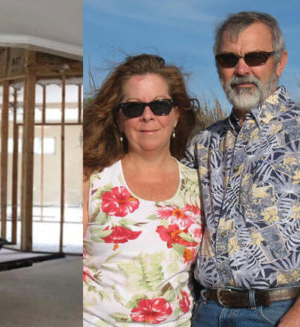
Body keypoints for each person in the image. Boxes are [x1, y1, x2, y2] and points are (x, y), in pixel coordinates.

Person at [183, 11, 300, 326]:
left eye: (256, 57)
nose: (242, 68)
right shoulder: (201, 144)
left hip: (279, 313)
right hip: (206, 311)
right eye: (228, 58)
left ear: (280, 62)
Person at [82, 54, 200, 326]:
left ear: (176, 114)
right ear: (118, 120)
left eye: (160, 105)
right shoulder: (92, 182)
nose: (148, 116)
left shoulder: (201, 187)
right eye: (134, 108)